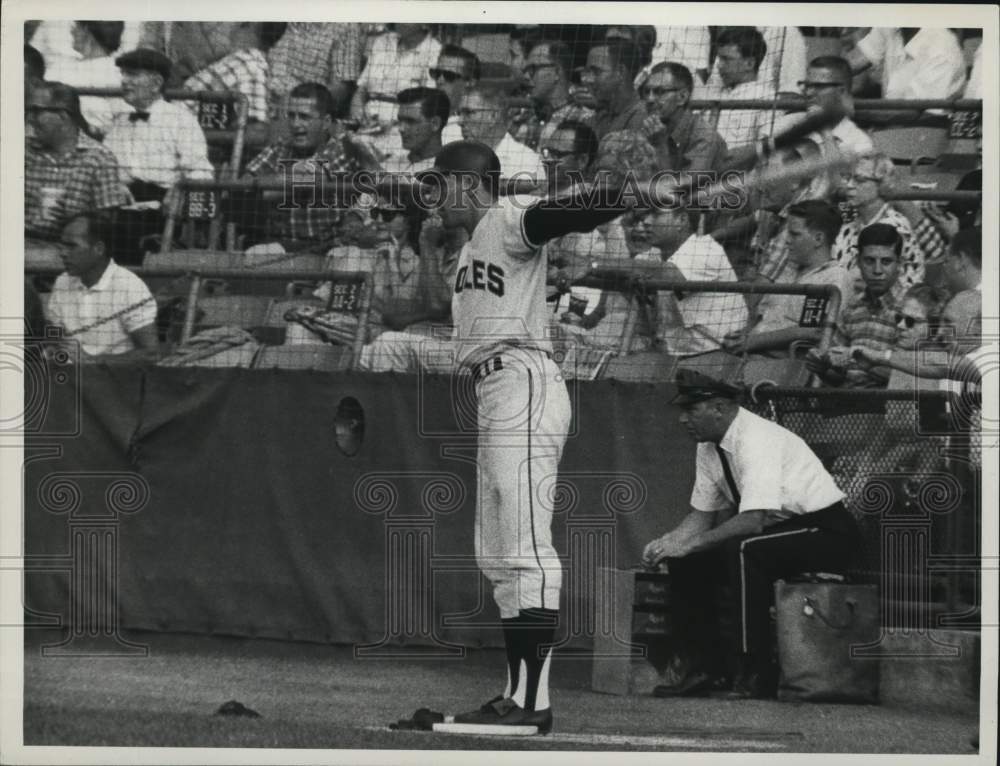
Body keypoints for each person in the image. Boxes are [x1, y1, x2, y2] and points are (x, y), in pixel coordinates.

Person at [406, 140, 661, 731]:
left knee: (524, 547)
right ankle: (515, 696)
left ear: (467, 184)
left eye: (438, 184)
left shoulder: (505, 216)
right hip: (495, 391)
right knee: (496, 554)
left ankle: (533, 704)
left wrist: (635, 192)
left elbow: (564, 214)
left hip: (523, 381)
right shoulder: (473, 244)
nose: (432, 197)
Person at [642, 368, 862, 699]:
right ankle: (705, 669)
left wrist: (693, 543)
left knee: (745, 550)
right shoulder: (708, 446)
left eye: (691, 410)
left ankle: (755, 671)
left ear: (718, 408)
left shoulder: (756, 438)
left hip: (827, 531)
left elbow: (752, 521)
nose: (682, 420)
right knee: (688, 562)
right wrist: (670, 543)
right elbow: (701, 517)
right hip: (782, 530)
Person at [241, 82, 367, 247]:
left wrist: (265, 187)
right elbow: (244, 183)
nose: (295, 124)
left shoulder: (342, 150)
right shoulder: (281, 146)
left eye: (304, 117)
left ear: (326, 122)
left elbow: (310, 177)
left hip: (328, 249)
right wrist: (276, 185)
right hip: (281, 245)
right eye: (291, 116)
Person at [724, 200, 855, 357]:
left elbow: (814, 332)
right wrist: (741, 336)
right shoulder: (788, 270)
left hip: (785, 367)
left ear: (818, 239)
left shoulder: (834, 277)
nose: (787, 240)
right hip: (750, 357)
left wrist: (751, 341)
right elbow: (761, 318)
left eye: (794, 234)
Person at [629, 203, 748, 357]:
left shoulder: (705, 250)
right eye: (647, 214)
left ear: (682, 219)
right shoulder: (649, 255)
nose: (646, 220)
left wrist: (595, 265)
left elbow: (667, 274)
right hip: (673, 356)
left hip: (719, 355)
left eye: (656, 214)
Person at [102, 48, 214, 205]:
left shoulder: (180, 120)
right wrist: (115, 185)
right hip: (123, 202)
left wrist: (181, 189)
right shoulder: (119, 123)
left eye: (132, 74)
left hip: (164, 208)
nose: (124, 81)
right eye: (123, 74)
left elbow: (200, 171)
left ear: (156, 84)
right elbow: (104, 165)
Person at [45, 212, 159, 360]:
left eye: (71, 246)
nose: (63, 253)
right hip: (68, 376)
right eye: (61, 246)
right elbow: (54, 333)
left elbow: (151, 354)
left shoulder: (129, 286)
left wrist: (91, 362)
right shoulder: (63, 281)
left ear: (98, 249)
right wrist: (52, 344)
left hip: (113, 380)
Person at [25, 82, 130, 241]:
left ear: (63, 115)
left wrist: (75, 219)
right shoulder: (22, 152)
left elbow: (107, 222)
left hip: (67, 248)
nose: (29, 118)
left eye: (36, 111)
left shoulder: (98, 158)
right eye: (28, 111)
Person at [807, 223, 907, 388]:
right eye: (869, 261)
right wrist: (823, 368)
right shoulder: (852, 308)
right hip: (847, 402)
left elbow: (913, 373)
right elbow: (838, 376)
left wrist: (860, 362)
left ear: (899, 264)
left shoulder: (911, 309)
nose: (877, 270)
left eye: (886, 261)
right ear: (858, 262)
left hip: (890, 405)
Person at [832, 153, 923, 289]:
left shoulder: (896, 227)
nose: (849, 185)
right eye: (848, 178)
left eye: (860, 180)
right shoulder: (848, 227)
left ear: (882, 185)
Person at [845, 27, 966, 123]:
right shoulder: (890, 24)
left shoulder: (942, 46)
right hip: (889, 127)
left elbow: (911, 112)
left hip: (928, 134)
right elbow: (853, 61)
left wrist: (844, 108)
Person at [693, 27, 776, 150]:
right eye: (719, 58)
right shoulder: (711, 92)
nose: (719, 65)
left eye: (726, 59)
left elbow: (764, 150)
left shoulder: (766, 97)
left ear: (749, 63)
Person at [639, 61, 728, 173]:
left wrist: (660, 146)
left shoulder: (704, 138)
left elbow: (675, 189)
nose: (650, 99)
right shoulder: (650, 130)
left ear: (682, 97)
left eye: (660, 92)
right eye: (646, 92)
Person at [44, 21, 128, 137]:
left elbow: (121, 122)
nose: (72, 31)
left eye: (76, 27)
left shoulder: (117, 72)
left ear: (87, 30)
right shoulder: (59, 66)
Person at [265, 22, 364, 120]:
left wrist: (295, 101)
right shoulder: (283, 17)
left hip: (303, 118)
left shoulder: (345, 25)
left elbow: (341, 90)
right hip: (264, 106)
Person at [457, 81, 546, 186]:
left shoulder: (526, 161)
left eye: (468, 113)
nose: (460, 121)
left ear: (493, 116)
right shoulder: (456, 159)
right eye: (459, 113)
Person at [515, 40, 595, 150]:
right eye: (525, 70)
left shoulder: (585, 119)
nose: (526, 76)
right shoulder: (524, 118)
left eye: (533, 69)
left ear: (557, 72)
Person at [580, 39, 647, 139]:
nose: (588, 80)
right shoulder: (600, 115)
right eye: (588, 72)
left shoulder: (642, 118)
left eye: (596, 72)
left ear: (620, 72)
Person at [381, 87, 450, 175]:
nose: (401, 129)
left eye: (410, 121)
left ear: (435, 124)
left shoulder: (448, 168)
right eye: (400, 120)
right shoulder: (390, 163)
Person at [429, 44, 479, 144]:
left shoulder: (471, 131)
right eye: (437, 73)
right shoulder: (421, 115)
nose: (439, 81)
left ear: (470, 82)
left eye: (449, 75)